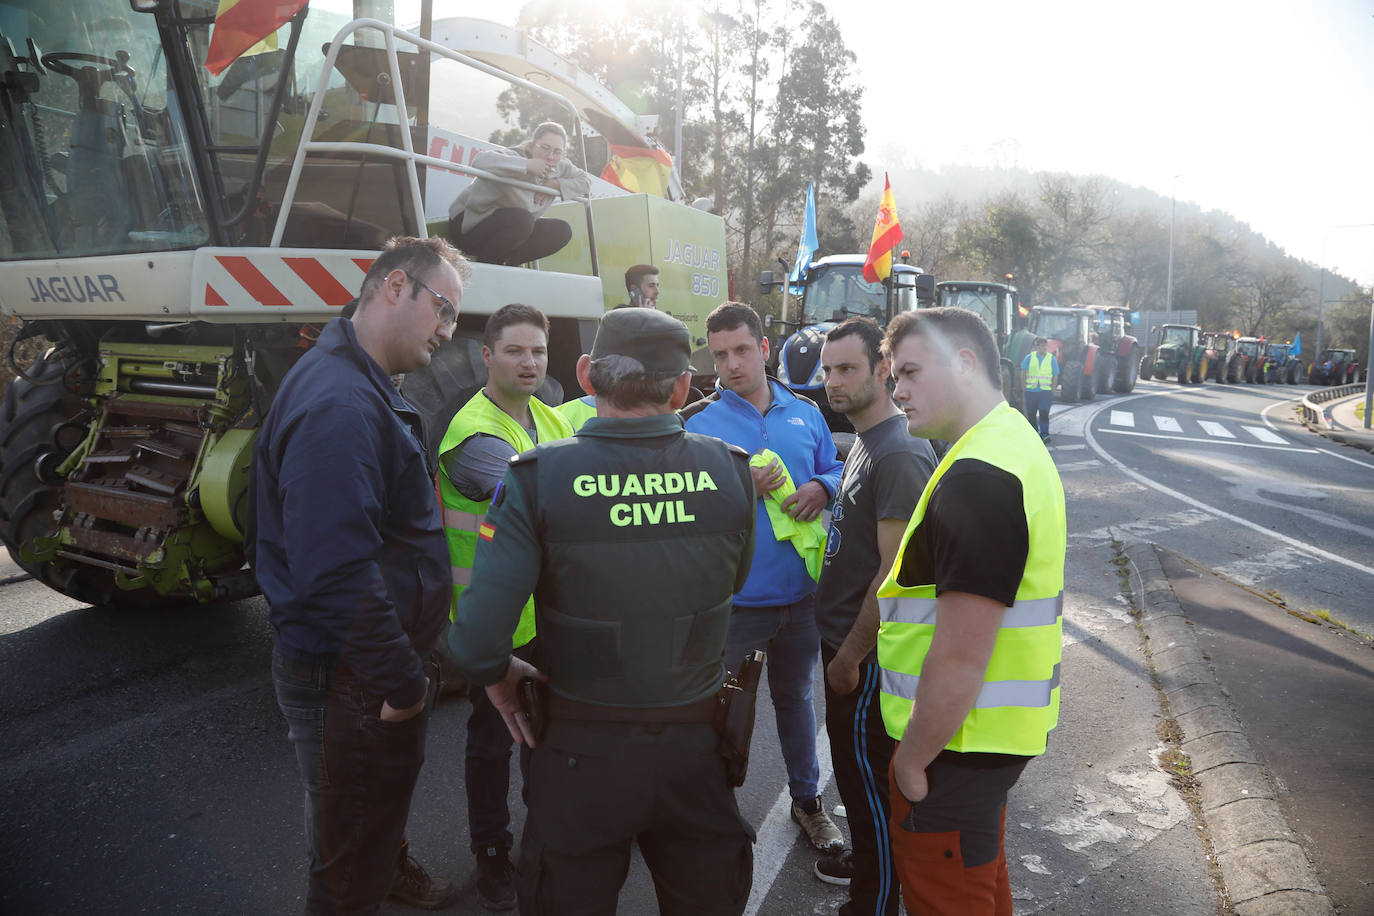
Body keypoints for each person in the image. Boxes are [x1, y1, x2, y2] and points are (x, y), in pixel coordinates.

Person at [449, 308, 758, 915]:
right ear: (679, 388)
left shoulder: (538, 478)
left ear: (587, 377)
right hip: (696, 754)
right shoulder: (731, 469)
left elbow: (478, 643)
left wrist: (501, 675)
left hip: (577, 756)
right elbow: (735, 579)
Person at [251, 236, 466, 913]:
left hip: (364, 666)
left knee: (361, 820)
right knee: (344, 860)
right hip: (350, 674)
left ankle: (387, 864)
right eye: (445, 309)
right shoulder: (341, 405)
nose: (449, 331)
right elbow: (336, 570)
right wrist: (401, 683)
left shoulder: (357, 380)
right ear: (396, 287)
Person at [878, 308, 1066, 915]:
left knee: (949, 898)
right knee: (980, 892)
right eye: (893, 376)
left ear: (964, 363)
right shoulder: (1007, 443)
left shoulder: (980, 474)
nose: (897, 390)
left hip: (953, 750)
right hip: (979, 745)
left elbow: (960, 654)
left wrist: (911, 760)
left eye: (909, 371)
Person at [681, 302, 845, 852]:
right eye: (719, 354)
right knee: (724, 710)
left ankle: (807, 802)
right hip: (736, 602)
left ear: (764, 349)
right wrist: (737, 489)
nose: (731, 364)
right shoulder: (696, 426)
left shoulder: (806, 412)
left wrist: (822, 486)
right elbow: (683, 508)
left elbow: (838, 467)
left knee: (796, 698)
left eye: (741, 350)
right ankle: (716, 811)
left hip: (801, 597)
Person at [436, 304, 573, 911]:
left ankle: (546, 842)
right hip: (495, 624)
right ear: (487, 356)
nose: (530, 362)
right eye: (516, 351)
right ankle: (491, 852)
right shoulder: (474, 435)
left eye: (539, 352)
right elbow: (544, 502)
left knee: (544, 736)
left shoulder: (547, 415)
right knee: (494, 741)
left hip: (549, 618)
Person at [811, 318, 937, 916]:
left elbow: (893, 576)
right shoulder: (865, 438)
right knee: (858, 793)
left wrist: (849, 657)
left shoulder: (901, 452)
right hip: (842, 649)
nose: (831, 381)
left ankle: (877, 906)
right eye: (828, 369)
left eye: (847, 369)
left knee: (869, 800)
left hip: (863, 661)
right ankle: (870, 889)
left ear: (882, 369)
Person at [448, 122, 591, 266]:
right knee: (523, 220)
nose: (550, 156)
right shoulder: (514, 155)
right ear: (532, 145)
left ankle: (505, 264)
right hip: (468, 226)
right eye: (545, 148)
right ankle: (488, 266)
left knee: (561, 230)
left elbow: (586, 182)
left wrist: (553, 184)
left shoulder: (560, 166)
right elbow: (480, 160)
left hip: (510, 229)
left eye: (557, 152)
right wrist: (527, 165)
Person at [1019, 336, 1058, 442]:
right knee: (1031, 414)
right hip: (1031, 391)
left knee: (1044, 413)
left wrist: (1053, 390)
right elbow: (1023, 373)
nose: (1043, 348)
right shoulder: (1029, 358)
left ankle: (1044, 434)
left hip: (1045, 392)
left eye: (1045, 346)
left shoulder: (1051, 359)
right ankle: (1034, 434)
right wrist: (1024, 388)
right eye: (1041, 346)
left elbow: (1055, 375)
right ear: (1037, 347)